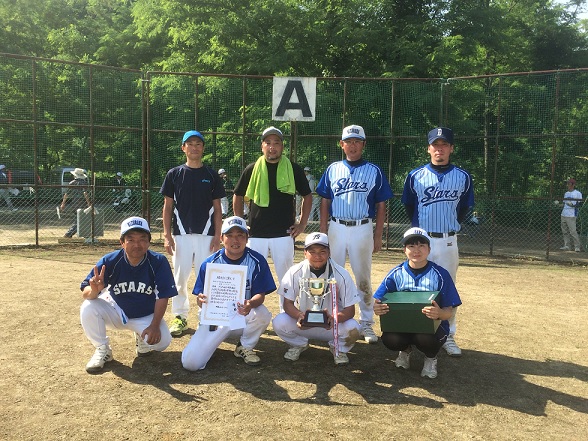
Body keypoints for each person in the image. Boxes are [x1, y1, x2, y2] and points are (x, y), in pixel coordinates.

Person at [316, 124, 393, 344]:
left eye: (357, 141)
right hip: (336, 227)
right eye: (348, 141)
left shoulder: (374, 170)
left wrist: (378, 236)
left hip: (362, 227)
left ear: (363, 144)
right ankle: (331, 318)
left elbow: (380, 206)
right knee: (331, 276)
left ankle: (366, 322)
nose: (352, 145)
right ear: (342, 145)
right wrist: (323, 231)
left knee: (363, 278)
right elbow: (325, 201)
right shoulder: (333, 169)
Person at [401, 127, 474, 357]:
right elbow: (409, 206)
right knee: (413, 285)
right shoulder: (416, 175)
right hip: (422, 240)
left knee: (447, 287)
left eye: (444, 145)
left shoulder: (462, 176)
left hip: (448, 240)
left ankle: (448, 334)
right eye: (435, 145)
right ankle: (410, 336)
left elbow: (464, 208)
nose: (439, 149)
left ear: (451, 148)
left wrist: (450, 225)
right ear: (428, 148)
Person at [79, 216, 178, 373]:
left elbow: (163, 296)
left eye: (142, 239)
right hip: (116, 311)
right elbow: (86, 293)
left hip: (145, 315)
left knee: (163, 342)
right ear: (122, 242)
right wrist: (94, 290)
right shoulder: (110, 260)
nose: (137, 245)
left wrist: (154, 326)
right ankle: (102, 349)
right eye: (130, 239)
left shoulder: (158, 261)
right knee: (88, 306)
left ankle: (141, 336)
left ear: (149, 241)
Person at [181, 216, 276, 370]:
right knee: (191, 364)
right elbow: (200, 298)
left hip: (241, 315)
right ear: (221, 238)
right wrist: (201, 300)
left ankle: (244, 346)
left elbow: (260, 294)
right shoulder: (210, 263)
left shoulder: (257, 261)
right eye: (230, 235)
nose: (235, 240)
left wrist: (250, 303)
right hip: (214, 318)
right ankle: (210, 343)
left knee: (262, 314)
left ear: (247, 238)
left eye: (240, 235)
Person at [233, 126, 312, 310]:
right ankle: (247, 313)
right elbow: (237, 195)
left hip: (283, 234)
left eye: (276, 143)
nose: (272, 147)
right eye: (268, 142)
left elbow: (308, 196)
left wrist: (302, 224)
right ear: (262, 146)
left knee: (287, 278)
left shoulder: (292, 168)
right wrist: (240, 224)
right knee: (250, 276)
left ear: (282, 146)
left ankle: (287, 314)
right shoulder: (252, 169)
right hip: (255, 234)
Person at [373, 228, 462, 379]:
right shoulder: (396, 273)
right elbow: (378, 302)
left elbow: (449, 311)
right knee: (390, 339)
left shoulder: (440, 274)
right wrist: (378, 308)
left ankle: (431, 358)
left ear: (429, 249)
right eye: (411, 246)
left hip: (431, 329)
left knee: (425, 338)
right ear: (404, 250)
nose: (416, 250)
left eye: (421, 245)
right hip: (404, 326)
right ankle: (405, 350)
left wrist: (439, 314)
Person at [160, 130, 225, 337]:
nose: (194, 147)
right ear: (183, 148)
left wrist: (218, 235)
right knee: (180, 278)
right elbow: (168, 207)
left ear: (203, 148)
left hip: (207, 235)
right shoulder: (174, 174)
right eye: (190, 144)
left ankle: (206, 315)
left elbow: (217, 208)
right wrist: (167, 235)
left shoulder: (211, 175)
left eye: (198, 144)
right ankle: (179, 316)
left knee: (207, 278)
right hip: (181, 235)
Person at [273, 232, 361, 366]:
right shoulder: (295, 271)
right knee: (279, 322)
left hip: (332, 326)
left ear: (329, 252)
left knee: (353, 328)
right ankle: (299, 344)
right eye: (312, 252)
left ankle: (338, 348)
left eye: (322, 251)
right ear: (305, 253)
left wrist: (334, 319)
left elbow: (350, 310)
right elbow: (287, 303)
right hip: (304, 325)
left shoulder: (341, 274)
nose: (317, 256)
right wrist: (299, 316)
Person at [60, 168, 91, 238]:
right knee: (81, 220)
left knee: (79, 219)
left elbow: (66, 194)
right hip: (83, 203)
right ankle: (69, 234)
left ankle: (84, 235)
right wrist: (89, 203)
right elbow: (85, 193)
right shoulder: (84, 183)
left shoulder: (72, 183)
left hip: (74, 203)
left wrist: (63, 203)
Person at [559, 178, 582, 252]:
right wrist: (558, 204)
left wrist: (572, 205)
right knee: (565, 231)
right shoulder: (566, 193)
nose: (568, 185)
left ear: (573, 185)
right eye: (567, 183)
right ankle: (567, 246)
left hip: (571, 215)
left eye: (569, 183)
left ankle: (577, 247)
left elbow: (579, 204)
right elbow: (564, 204)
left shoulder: (577, 193)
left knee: (573, 231)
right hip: (564, 214)